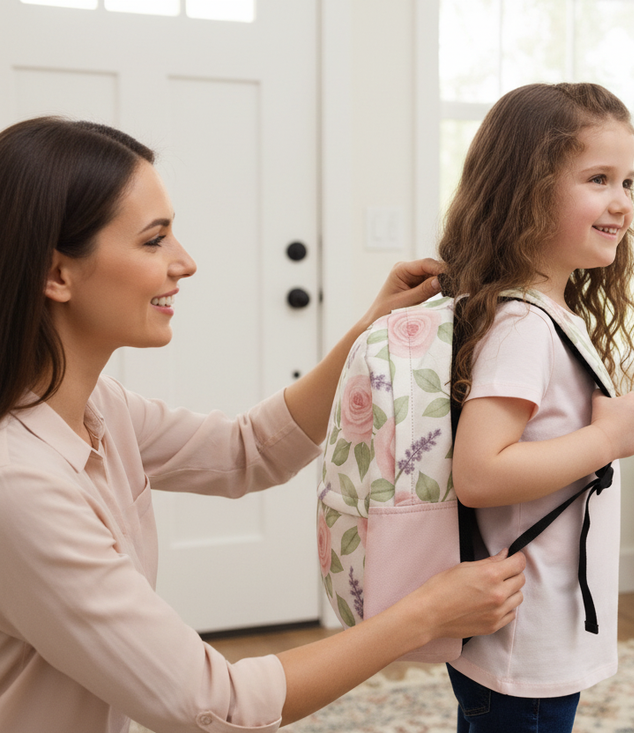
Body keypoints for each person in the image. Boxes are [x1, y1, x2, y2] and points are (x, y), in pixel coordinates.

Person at [0, 116, 526, 733]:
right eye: (153, 241)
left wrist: (367, 334)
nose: (185, 263)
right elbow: (212, 705)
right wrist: (427, 613)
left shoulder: (98, 408)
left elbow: (245, 451)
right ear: (56, 274)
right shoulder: (21, 485)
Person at [439, 83, 634, 732]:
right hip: (524, 641)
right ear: (527, 190)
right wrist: (606, 440)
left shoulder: (549, 312)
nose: (621, 202)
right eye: (598, 179)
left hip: (529, 631)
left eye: (628, 181)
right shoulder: (525, 325)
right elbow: (479, 474)